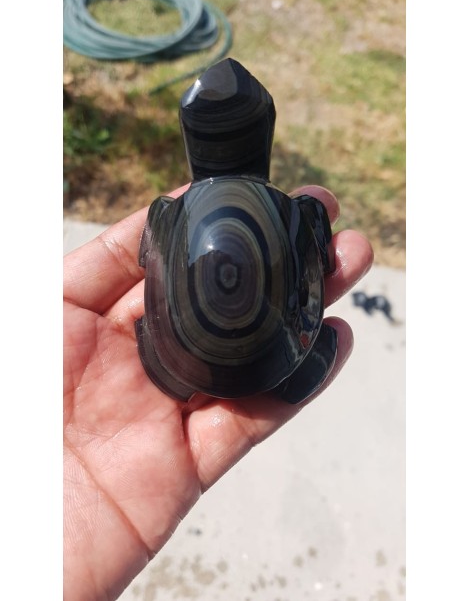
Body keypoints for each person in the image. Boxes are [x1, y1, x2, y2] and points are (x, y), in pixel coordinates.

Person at [63, 183, 374, 601]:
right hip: (266, 355)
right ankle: (297, 368)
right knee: (302, 356)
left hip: (190, 361)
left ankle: (281, 368)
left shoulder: (169, 211)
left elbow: (150, 247)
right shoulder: (294, 211)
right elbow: (321, 255)